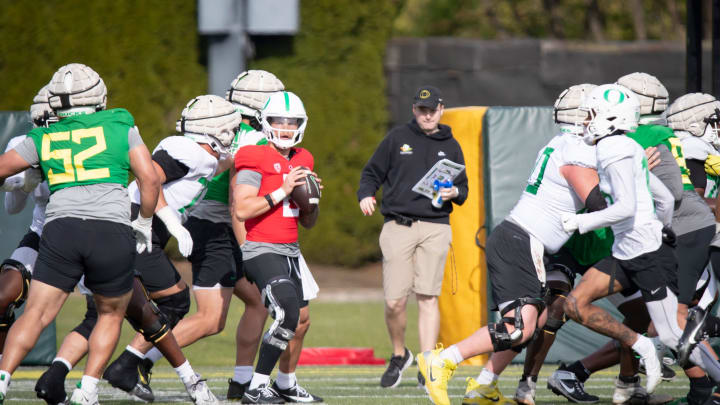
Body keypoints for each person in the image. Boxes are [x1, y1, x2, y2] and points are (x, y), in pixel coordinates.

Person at [0, 63, 161, 404]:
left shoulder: (44, 135)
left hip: (61, 229)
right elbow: (150, 179)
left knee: (36, 314)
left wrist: (25, 180)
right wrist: (144, 221)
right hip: (110, 229)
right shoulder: (120, 122)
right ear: (99, 94)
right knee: (109, 313)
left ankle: (1, 379)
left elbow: (2, 169)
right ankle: (86, 390)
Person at [357, 85, 468, 388]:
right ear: (414, 111)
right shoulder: (397, 138)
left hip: (436, 226)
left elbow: (464, 189)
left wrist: (454, 191)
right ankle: (398, 354)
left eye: (432, 109)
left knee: (428, 297)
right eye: (422, 109)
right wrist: (365, 195)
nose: (428, 114)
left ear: (441, 109)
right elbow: (371, 173)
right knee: (394, 301)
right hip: (398, 226)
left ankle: (428, 360)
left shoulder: (452, 144)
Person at [233, 90, 323, 404]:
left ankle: (285, 383)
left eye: (292, 122)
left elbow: (309, 223)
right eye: (278, 121)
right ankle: (256, 387)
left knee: (301, 319)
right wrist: (283, 190)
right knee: (286, 313)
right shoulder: (253, 156)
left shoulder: (304, 158)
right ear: (265, 122)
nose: (285, 128)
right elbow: (242, 210)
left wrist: (311, 202)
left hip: (291, 250)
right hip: (261, 248)